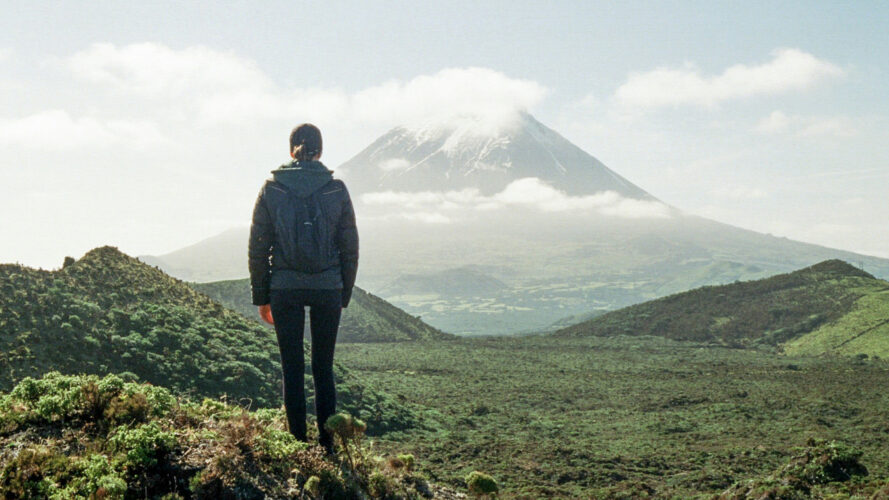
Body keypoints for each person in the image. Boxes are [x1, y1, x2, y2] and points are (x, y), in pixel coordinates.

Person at [248, 123, 358, 454]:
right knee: (323, 368)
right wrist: (343, 294)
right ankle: (328, 445)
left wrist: (262, 296)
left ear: (291, 149)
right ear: (320, 152)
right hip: (328, 289)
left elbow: (257, 247)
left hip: (285, 289)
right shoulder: (336, 190)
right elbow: (350, 248)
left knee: (292, 367)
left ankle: (297, 444)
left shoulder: (272, 189)